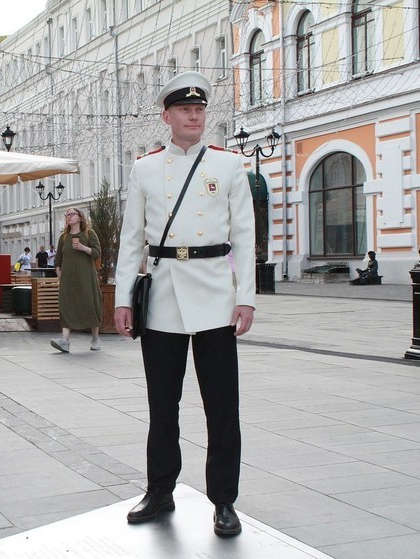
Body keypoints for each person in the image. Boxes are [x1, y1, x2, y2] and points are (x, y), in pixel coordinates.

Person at [113, 71, 255, 537]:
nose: (194, 116)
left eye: (199, 110)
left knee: (222, 406)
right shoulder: (145, 168)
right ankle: (159, 491)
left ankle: (224, 501)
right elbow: (131, 238)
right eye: (184, 110)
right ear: (167, 116)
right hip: (164, 295)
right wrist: (122, 299)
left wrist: (246, 297)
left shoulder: (230, 165)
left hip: (215, 294)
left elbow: (246, 239)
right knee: (162, 405)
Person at [51, 208, 103, 352]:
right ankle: (65, 340)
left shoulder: (89, 233)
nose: (69, 217)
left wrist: (82, 247)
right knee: (66, 305)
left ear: (80, 217)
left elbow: (97, 253)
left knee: (90, 304)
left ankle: (95, 338)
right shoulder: (64, 236)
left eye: (72, 214)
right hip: (68, 277)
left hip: (86, 276)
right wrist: (58, 272)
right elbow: (58, 258)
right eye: (67, 215)